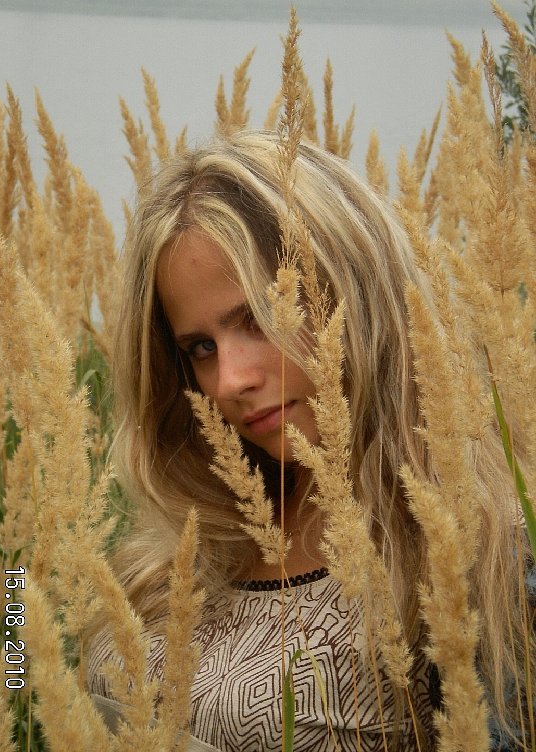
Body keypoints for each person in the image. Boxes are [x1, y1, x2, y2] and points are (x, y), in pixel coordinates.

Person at [88, 129, 530, 751]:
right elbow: (18, 683)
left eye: (259, 317)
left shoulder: (482, 553)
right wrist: (12, 619)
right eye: (201, 347)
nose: (230, 381)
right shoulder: (190, 536)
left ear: (355, 295)